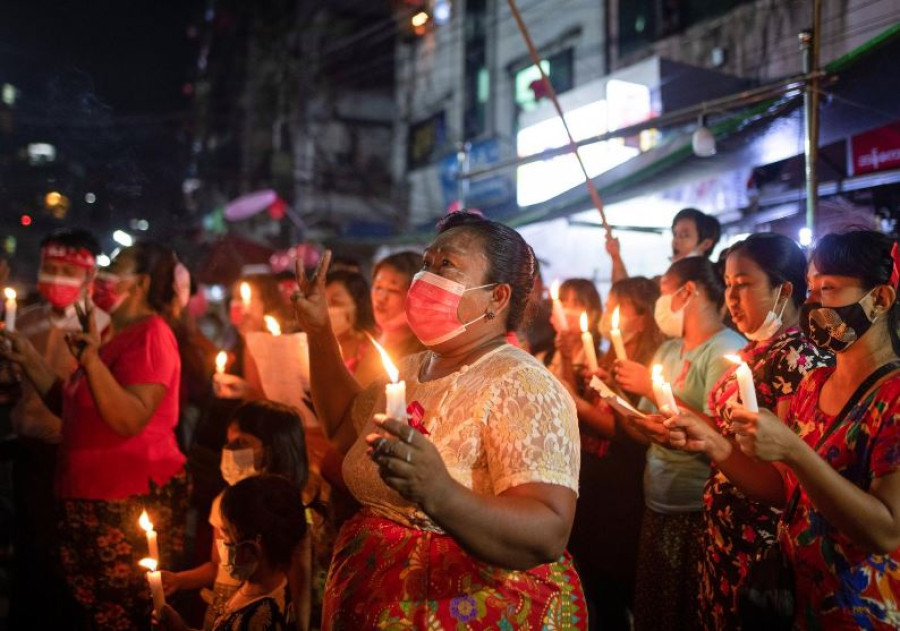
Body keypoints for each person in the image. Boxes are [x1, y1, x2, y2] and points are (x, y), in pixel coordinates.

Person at [292, 211, 587, 629]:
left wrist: (441, 493)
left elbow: (548, 531)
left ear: (497, 297)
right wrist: (319, 332)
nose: (425, 278)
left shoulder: (523, 384)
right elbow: (344, 428)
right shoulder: (413, 369)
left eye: (446, 265)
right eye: (427, 264)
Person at [667, 230, 900, 629]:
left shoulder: (892, 397)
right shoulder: (814, 385)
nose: (811, 304)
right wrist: (714, 445)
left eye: (828, 289)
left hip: (857, 610)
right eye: (810, 289)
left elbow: (887, 530)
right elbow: (782, 491)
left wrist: (793, 449)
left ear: (879, 299)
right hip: (795, 600)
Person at [1, 242, 188, 630]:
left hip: (122, 504)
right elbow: (72, 408)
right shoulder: (110, 332)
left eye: (115, 267)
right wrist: (28, 357)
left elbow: (128, 419)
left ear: (141, 283)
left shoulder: (151, 336)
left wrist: (91, 363)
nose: (103, 276)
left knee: (117, 614)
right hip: (85, 500)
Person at [669, 234, 833, 629]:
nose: (732, 297)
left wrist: (711, 442)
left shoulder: (798, 359)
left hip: (759, 547)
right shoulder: (753, 351)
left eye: (744, 284)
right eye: (727, 284)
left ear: (784, 290)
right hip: (726, 535)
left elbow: (784, 486)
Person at [613, 256, 744, 631]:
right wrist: (618, 403)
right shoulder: (669, 350)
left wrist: (655, 391)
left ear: (689, 291)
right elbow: (643, 426)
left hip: (699, 509)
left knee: (691, 610)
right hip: (658, 502)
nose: (660, 302)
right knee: (658, 609)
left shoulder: (725, 350)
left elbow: (720, 432)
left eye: (664, 292)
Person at [7, 229, 110, 628]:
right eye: (49, 268)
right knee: (27, 553)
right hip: (27, 452)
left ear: (89, 276)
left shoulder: (102, 327)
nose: (56, 278)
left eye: (67, 270)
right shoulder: (25, 321)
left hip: (70, 457)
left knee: (62, 557)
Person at [568, 277, 664, 630]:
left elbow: (629, 429)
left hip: (623, 488)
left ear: (641, 317)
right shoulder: (611, 353)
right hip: (594, 482)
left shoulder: (650, 362)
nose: (606, 314)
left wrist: (580, 403)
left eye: (614, 307)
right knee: (593, 587)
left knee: (617, 585)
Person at [162, 400, 309, 630]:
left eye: (241, 442)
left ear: (272, 449)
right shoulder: (224, 502)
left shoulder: (287, 511)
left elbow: (301, 576)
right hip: (226, 606)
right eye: (229, 442)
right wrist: (179, 581)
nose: (230, 451)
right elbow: (216, 565)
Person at [157, 474, 308, 631]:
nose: (222, 543)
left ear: (251, 550)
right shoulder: (255, 585)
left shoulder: (261, 620)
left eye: (226, 534)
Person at [607, 208, 722, 283]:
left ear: (706, 244)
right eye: (675, 234)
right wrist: (615, 256)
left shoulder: (715, 283)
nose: (676, 241)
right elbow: (625, 293)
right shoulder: (665, 282)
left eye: (684, 235)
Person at [324, 268, 380, 386]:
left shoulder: (375, 346)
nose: (327, 310)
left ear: (358, 304)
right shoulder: (315, 347)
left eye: (335, 302)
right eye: (322, 303)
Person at [370, 251, 426, 361]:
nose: (381, 298)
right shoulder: (366, 339)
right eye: (378, 287)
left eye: (393, 290)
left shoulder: (423, 354)